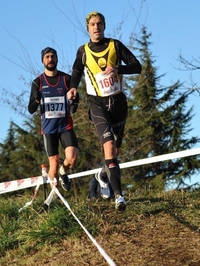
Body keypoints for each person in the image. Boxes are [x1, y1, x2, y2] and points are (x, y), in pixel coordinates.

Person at [68, 11, 142, 211]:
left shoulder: (115, 45)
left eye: (99, 24)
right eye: (92, 24)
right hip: (97, 105)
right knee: (108, 145)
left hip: (118, 104)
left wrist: (119, 69)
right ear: (88, 28)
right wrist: (73, 87)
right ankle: (119, 196)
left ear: (104, 26)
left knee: (114, 152)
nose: (96, 27)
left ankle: (102, 175)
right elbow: (76, 72)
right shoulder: (83, 51)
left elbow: (137, 66)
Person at [28, 47, 79, 192]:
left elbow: (76, 97)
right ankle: (54, 197)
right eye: (47, 57)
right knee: (54, 164)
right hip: (49, 129)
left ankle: (64, 172)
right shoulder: (38, 82)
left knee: (72, 159)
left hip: (65, 126)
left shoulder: (66, 79)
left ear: (57, 59)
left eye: (53, 57)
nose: (50, 59)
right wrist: (36, 100)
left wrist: (74, 104)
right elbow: (30, 109)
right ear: (43, 60)